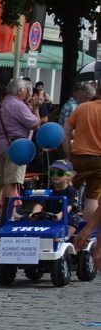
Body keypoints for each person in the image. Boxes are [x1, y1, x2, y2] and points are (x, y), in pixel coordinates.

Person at [0, 78, 39, 215]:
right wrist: (35, 108)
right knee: (11, 182)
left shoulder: (3, 102)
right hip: (16, 147)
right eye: (25, 89)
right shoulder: (17, 104)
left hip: (0, 145)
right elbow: (34, 124)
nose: (27, 92)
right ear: (20, 91)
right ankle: (9, 214)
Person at [69, 88, 101, 260]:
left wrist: (68, 154)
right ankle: (88, 233)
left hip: (79, 156)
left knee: (66, 192)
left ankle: (66, 230)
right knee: (92, 198)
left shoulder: (82, 107)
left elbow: (65, 130)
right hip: (99, 158)